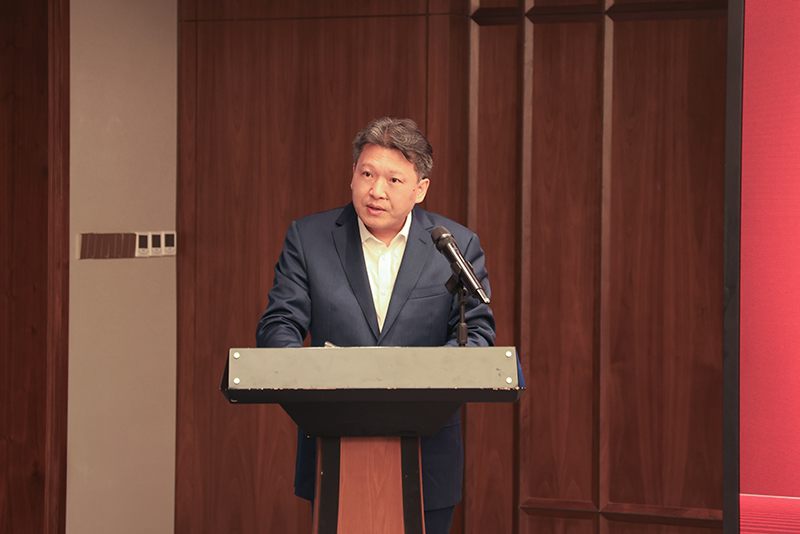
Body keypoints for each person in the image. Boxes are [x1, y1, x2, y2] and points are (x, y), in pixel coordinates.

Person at [256, 117, 495, 534]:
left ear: (420, 188)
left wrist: (421, 376)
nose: (376, 190)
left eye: (393, 180)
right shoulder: (308, 238)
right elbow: (279, 323)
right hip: (333, 447)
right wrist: (305, 372)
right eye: (367, 174)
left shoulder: (454, 245)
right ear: (352, 175)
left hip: (427, 455)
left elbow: (476, 334)